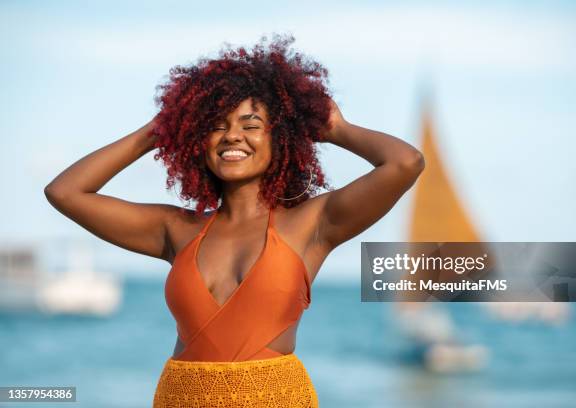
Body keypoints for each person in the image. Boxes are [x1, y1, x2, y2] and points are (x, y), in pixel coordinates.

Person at [44, 33, 425, 408]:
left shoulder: (312, 224)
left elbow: (405, 163)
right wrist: (155, 132)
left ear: (281, 140)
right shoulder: (176, 230)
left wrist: (339, 130)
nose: (232, 137)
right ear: (196, 140)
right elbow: (65, 192)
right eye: (217, 125)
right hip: (181, 399)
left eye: (251, 125)